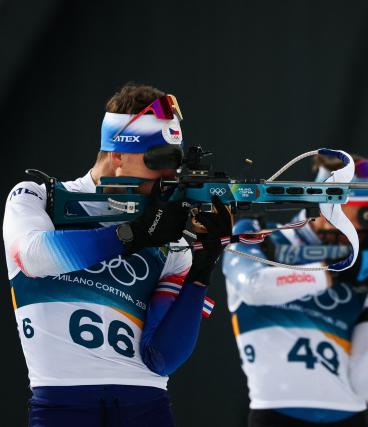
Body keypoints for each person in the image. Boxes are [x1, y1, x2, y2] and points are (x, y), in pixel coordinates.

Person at [3, 83, 230, 427]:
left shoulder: (170, 228)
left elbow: (163, 358)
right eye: (159, 161)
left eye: (176, 162)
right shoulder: (40, 197)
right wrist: (132, 235)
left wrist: (204, 263)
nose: (169, 176)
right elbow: (33, 257)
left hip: (146, 404)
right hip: (62, 403)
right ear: (117, 154)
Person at [222, 155, 368, 427]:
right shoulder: (258, 237)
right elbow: (254, 287)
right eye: (364, 213)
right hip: (277, 414)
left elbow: (362, 385)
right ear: (328, 206)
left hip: (352, 417)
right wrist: (333, 272)